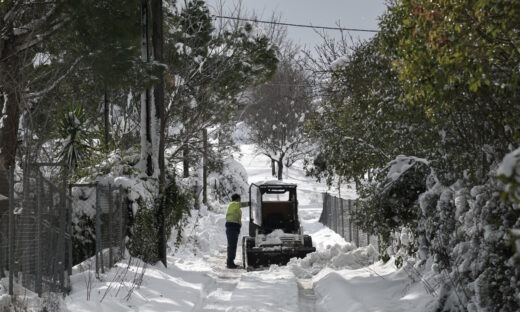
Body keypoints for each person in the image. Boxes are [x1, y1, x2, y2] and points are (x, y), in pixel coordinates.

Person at [225, 193, 249, 269]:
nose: (240, 200)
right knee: (232, 245)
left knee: (232, 245)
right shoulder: (234, 204)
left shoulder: (234, 206)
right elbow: (241, 204)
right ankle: (230, 263)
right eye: (239, 199)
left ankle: (230, 262)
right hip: (232, 227)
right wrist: (249, 203)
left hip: (234, 227)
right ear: (237, 199)